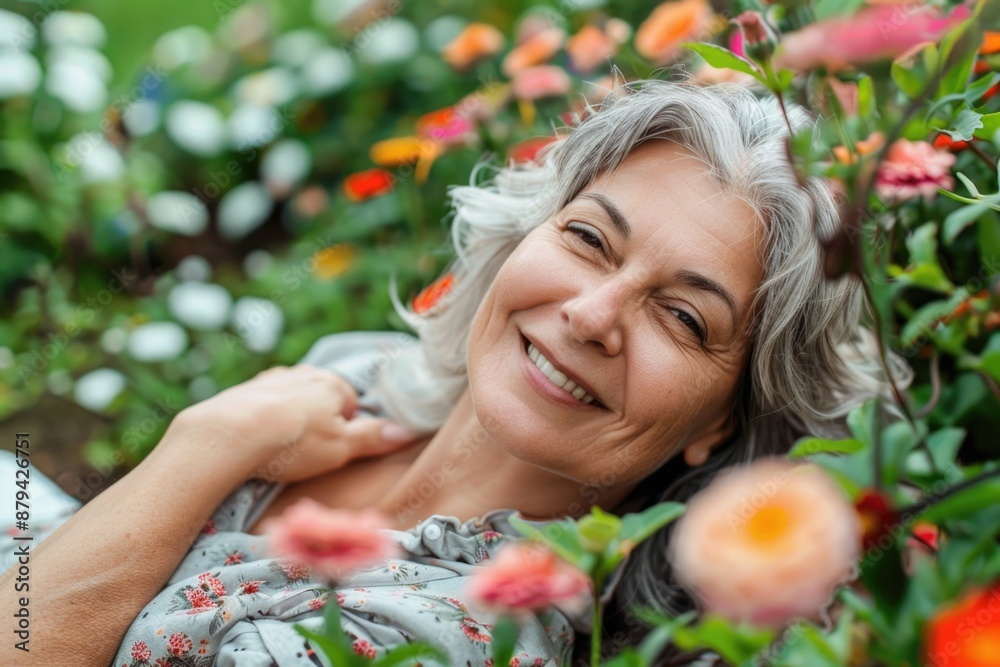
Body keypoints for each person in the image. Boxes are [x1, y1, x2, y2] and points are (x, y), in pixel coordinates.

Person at [0, 73, 909, 667]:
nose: (592, 316)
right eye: (590, 238)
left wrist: (207, 441)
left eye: (682, 316)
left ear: (725, 416)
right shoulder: (365, 375)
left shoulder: (468, 633)